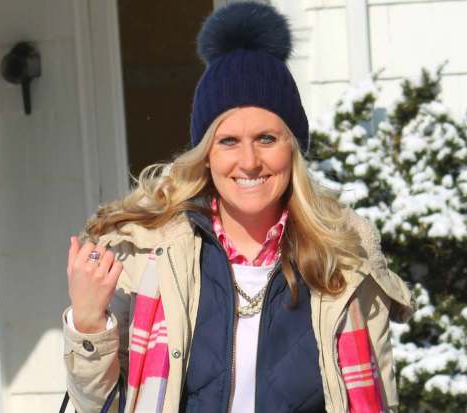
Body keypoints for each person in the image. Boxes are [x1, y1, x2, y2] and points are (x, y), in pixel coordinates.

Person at [62, 2, 412, 412]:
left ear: (293, 148)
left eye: (266, 138)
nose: (249, 162)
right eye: (228, 141)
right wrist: (89, 323)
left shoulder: (346, 257)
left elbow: (379, 398)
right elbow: (98, 406)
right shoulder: (146, 256)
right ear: (206, 154)